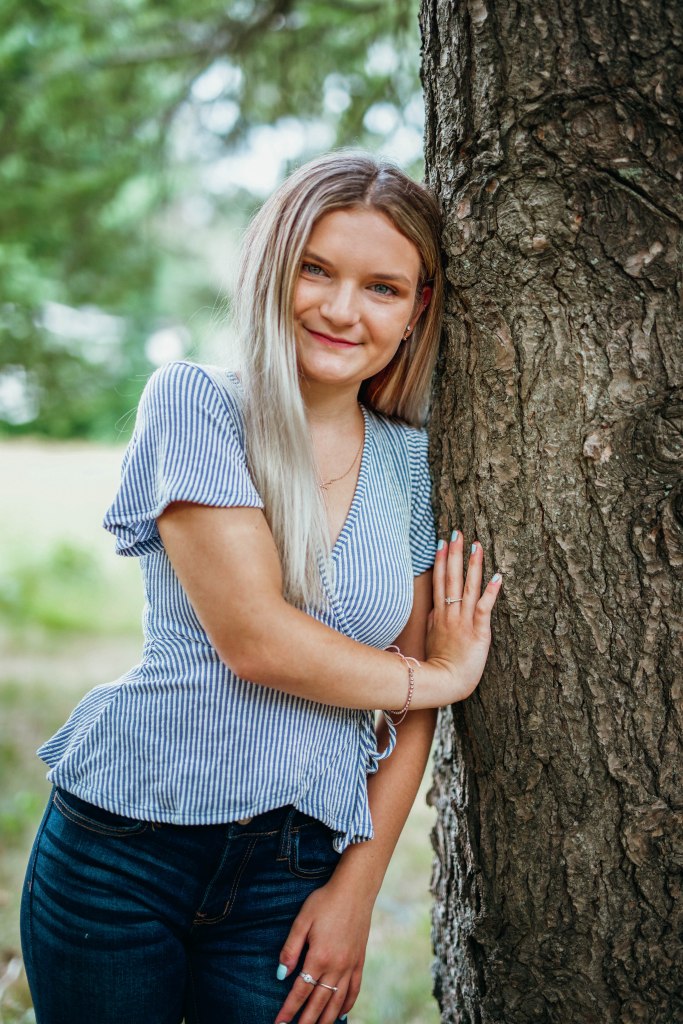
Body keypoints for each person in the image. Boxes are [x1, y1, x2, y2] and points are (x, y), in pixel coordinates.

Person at [20, 151, 502, 1024]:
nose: (341, 309)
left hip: (295, 869)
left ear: (416, 310)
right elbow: (257, 640)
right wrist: (437, 675)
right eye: (316, 270)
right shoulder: (196, 404)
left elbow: (410, 716)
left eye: (382, 288)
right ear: (273, 271)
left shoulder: (411, 462)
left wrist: (356, 892)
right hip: (123, 850)